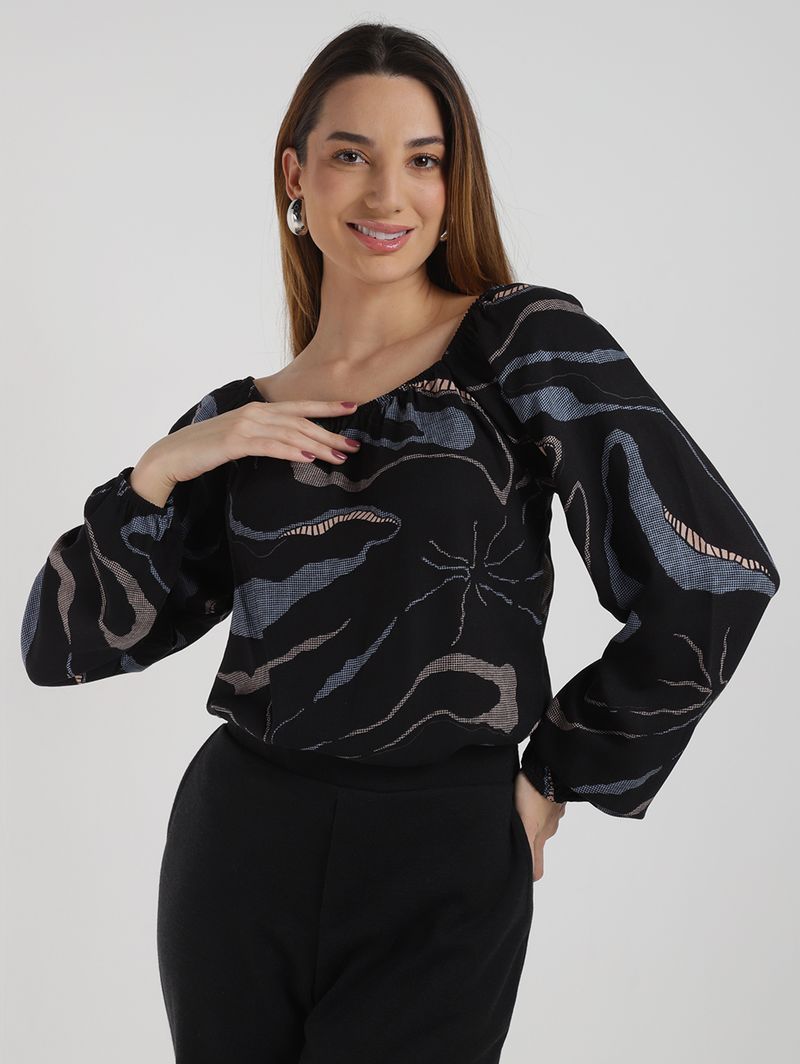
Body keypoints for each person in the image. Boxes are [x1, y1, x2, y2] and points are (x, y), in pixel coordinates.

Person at [19, 21, 780, 1064]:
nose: (388, 194)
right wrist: (160, 466)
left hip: (443, 856)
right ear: (295, 174)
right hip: (236, 845)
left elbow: (713, 575)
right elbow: (60, 647)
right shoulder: (240, 420)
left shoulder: (521, 345)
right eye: (351, 155)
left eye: (423, 160)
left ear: (453, 184)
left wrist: (555, 775)